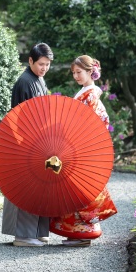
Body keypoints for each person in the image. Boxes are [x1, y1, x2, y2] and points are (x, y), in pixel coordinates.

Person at [49, 55, 118, 247]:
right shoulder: (85, 93)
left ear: (90, 72)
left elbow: (92, 124)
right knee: (75, 190)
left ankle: (81, 232)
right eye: (73, 73)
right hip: (77, 146)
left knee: (78, 190)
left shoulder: (91, 95)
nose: (76, 76)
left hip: (81, 147)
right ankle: (77, 232)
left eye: (79, 72)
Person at [1, 42, 54, 247]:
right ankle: (23, 235)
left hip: (38, 139)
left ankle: (37, 232)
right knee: (28, 185)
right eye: (41, 64)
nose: (44, 68)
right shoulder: (24, 81)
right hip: (25, 140)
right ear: (30, 61)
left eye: (48, 64)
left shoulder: (39, 80)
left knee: (40, 185)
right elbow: (19, 116)